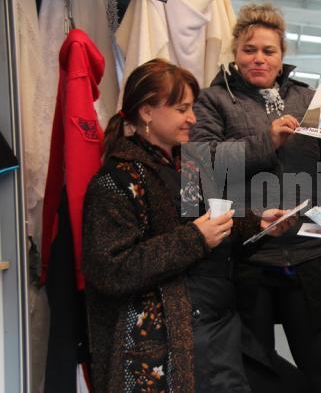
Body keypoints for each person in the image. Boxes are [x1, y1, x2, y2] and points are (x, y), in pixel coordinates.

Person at [82, 59, 298, 393]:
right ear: (147, 112)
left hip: (215, 322)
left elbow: (206, 218)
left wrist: (259, 223)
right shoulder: (117, 181)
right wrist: (195, 238)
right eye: (182, 109)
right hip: (169, 341)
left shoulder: (187, 164)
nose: (193, 119)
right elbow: (110, 270)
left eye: (192, 108)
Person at [190, 2, 321, 392]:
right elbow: (200, 166)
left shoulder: (313, 101)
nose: (258, 58)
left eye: (268, 51)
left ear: (282, 55)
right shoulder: (214, 101)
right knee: (255, 368)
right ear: (235, 53)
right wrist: (264, 141)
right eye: (249, 50)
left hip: (310, 254)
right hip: (247, 257)